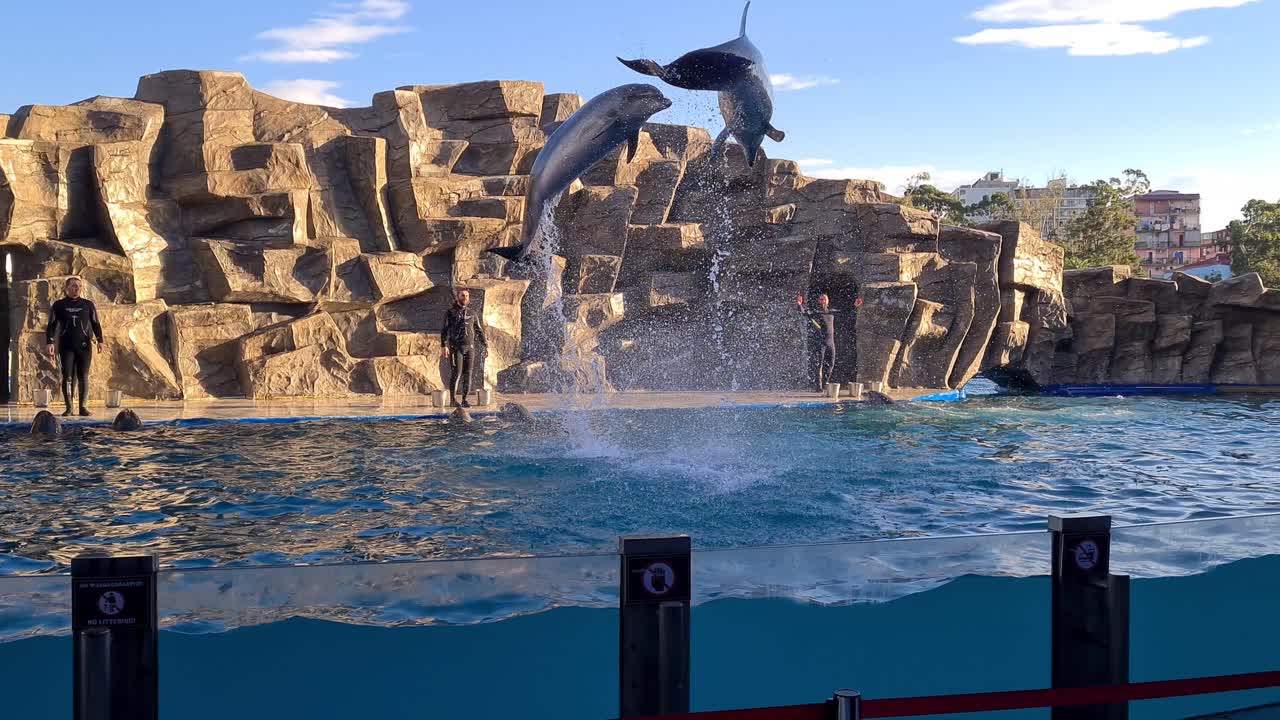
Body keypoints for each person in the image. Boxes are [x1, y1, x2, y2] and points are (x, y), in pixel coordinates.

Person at [45, 277, 103, 417]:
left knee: (83, 375)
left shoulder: (87, 304)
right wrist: (50, 342)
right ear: (67, 287)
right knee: (68, 376)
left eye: (79, 286)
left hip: (84, 346)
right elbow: (51, 325)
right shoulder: (59, 305)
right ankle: (69, 408)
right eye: (73, 286)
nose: (77, 288)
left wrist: (100, 340)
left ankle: (83, 407)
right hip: (66, 346)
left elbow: (95, 323)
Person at [440, 289, 487, 408]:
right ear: (457, 297)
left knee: (468, 373)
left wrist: (485, 345)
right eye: (462, 295)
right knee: (457, 373)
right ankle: (452, 399)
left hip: (470, 348)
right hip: (456, 348)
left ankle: (465, 400)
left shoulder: (472, 313)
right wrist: (444, 345)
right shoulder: (451, 312)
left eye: (466, 296)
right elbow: (445, 330)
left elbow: (479, 330)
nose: (464, 297)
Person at [797, 292, 837, 393]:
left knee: (831, 364)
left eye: (825, 299)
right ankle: (818, 386)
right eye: (821, 299)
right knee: (819, 364)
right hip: (821, 342)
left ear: (828, 301)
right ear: (819, 301)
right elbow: (804, 312)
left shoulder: (831, 312)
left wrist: (855, 306)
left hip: (831, 343)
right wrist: (799, 305)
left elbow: (845, 311)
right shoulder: (816, 312)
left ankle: (824, 383)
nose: (823, 300)